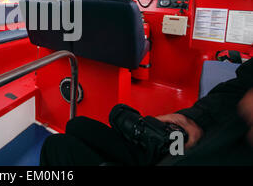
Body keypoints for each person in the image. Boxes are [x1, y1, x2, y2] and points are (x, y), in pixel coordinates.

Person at [40, 58, 253, 166]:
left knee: (56, 146)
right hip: (184, 148)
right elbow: (238, 86)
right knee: (76, 125)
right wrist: (188, 119)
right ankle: (164, 144)